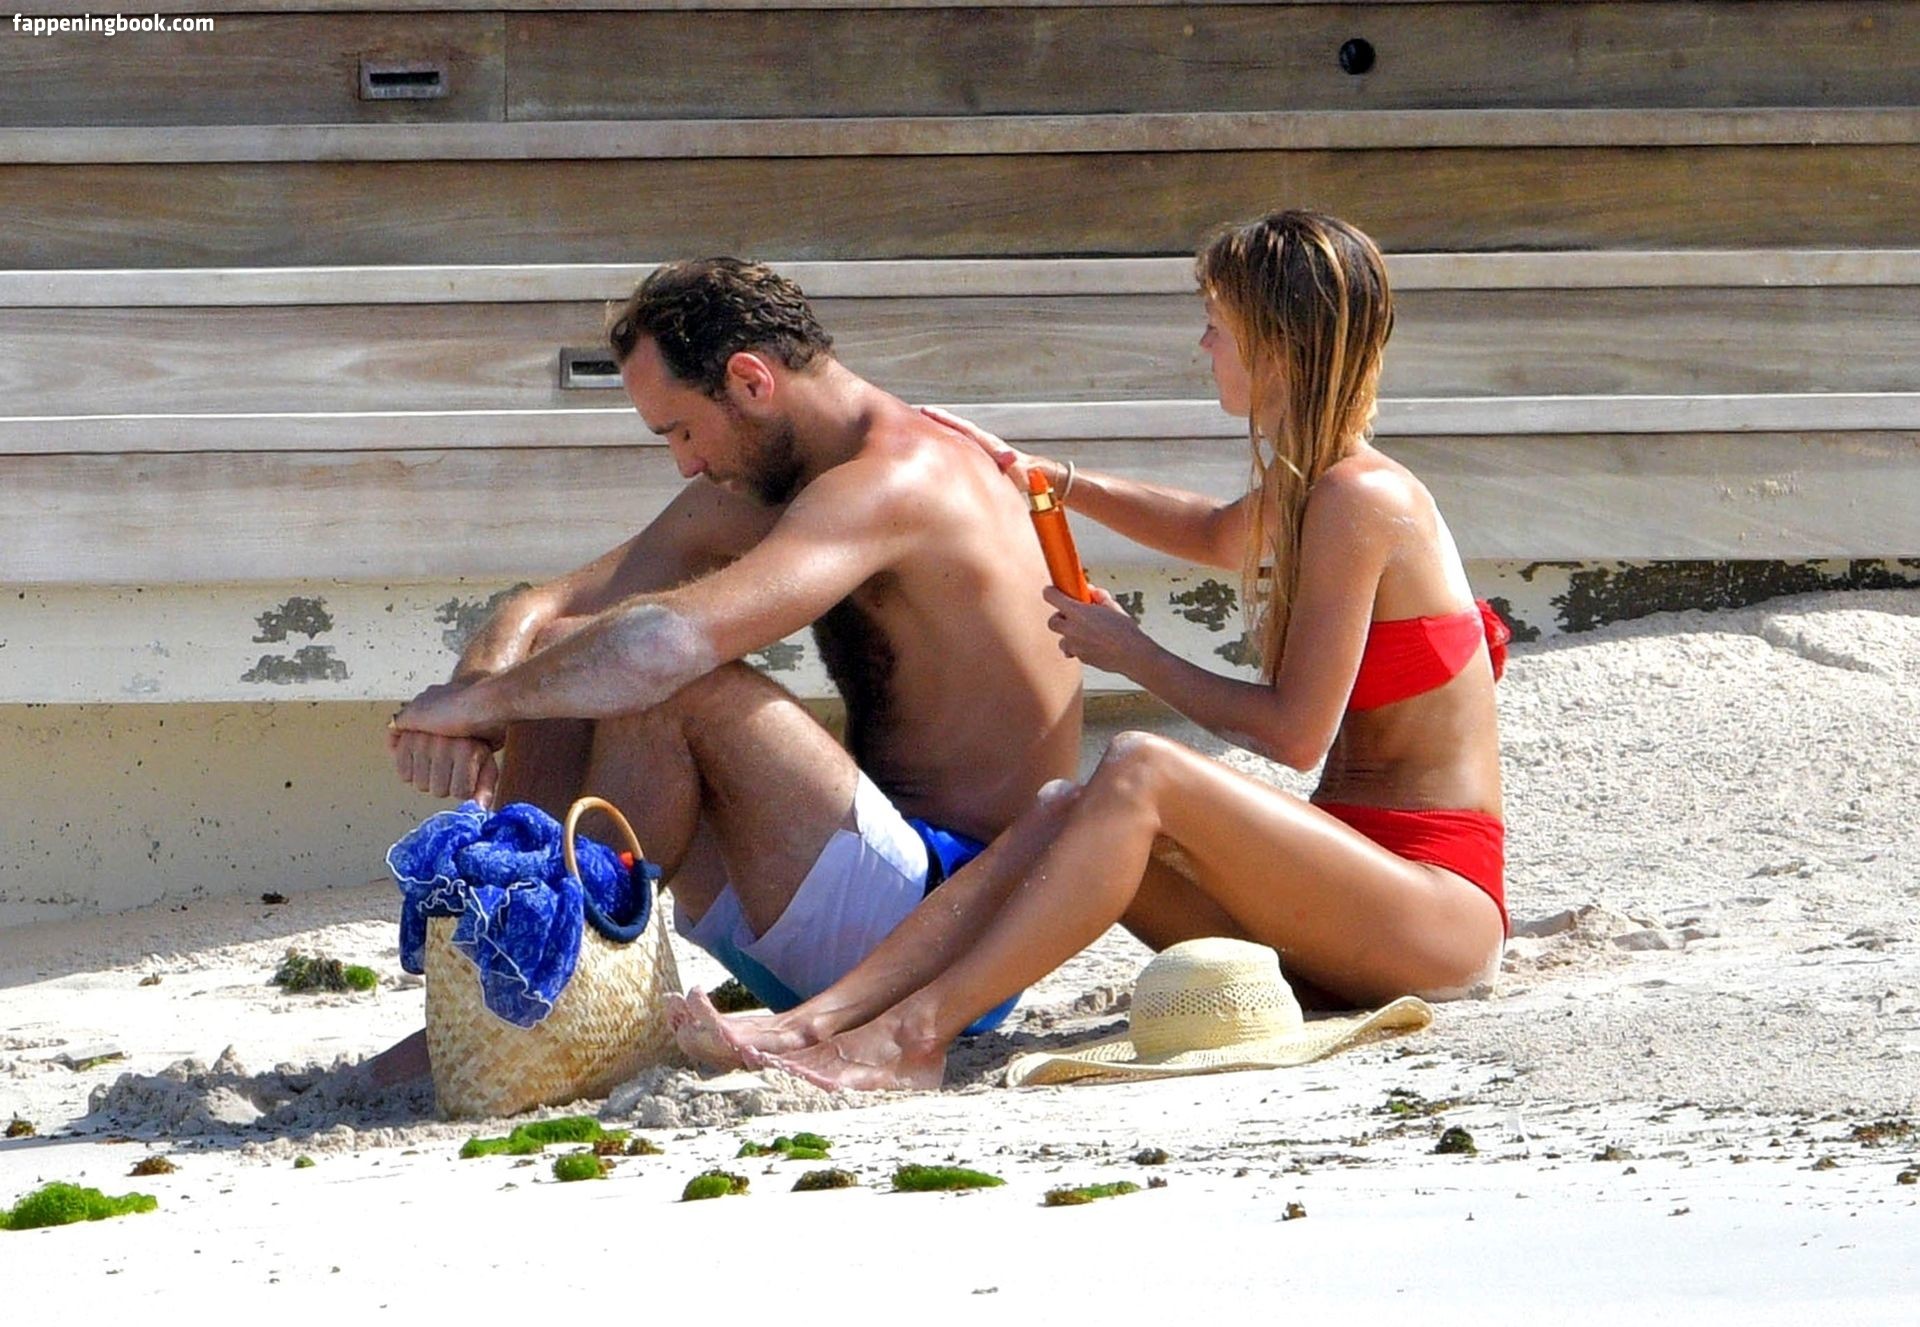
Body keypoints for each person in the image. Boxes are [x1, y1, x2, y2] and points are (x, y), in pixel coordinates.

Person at [672, 210, 1511, 1091]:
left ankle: (912, 1036)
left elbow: (1296, 734)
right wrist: (1045, 477)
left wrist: (1132, 652)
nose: (1203, 345)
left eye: (1218, 326)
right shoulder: (1315, 488)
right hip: (1351, 906)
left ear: (1276, 347)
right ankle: (821, 1018)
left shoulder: (1361, 496)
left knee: (1141, 764)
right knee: (1060, 807)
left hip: (1434, 914)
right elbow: (1218, 533)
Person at [370, 257, 1082, 1085]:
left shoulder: (897, 478)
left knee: (665, 679)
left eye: (681, 430)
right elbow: (548, 606)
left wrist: (479, 707)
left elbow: (663, 647)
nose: (684, 463)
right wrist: (474, 697)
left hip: (948, 928)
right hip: (839, 905)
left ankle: (548, 990)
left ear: (749, 380)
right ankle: (504, 979)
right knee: (577, 650)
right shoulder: (793, 474)